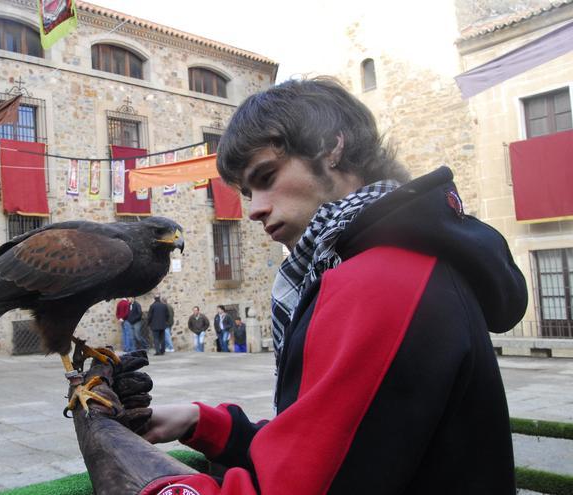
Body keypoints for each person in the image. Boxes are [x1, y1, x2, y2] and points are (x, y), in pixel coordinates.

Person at [70, 77, 527, 494]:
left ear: (331, 148)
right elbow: (340, 451)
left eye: (266, 178)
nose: (254, 209)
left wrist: (143, 480)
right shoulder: (384, 261)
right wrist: (206, 423)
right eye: (248, 193)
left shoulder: (381, 280)